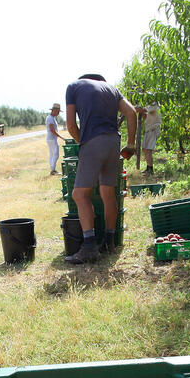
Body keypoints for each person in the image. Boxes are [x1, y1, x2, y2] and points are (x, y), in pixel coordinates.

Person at [63, 74, 137, 264]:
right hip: (114, 141)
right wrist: (130, 144)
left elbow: (70, 125)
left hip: (94, 142)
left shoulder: (74, 86)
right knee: (108, 193)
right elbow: (131, 113)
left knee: (79, 195)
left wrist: (84, 143)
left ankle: (89, 247)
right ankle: (109, 242)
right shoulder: (112, 89)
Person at [136, 101, 161, 175]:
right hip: (149, 129)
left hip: (153, 129)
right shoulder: (149, 105)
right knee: (145, 149)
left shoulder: (155, 105)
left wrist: (129, 107)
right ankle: (148, 168)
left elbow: (142, 110)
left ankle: (150, 170)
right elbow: (145, 116)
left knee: (148, 150)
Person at [45, 103, 65, 175]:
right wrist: (61, 137)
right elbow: (52, 130)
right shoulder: (50, 118)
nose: (59, 113)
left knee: (52, 154)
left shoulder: (51, 118)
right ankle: (53, 170)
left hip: (51, 139)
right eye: (58, 111)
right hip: (52, 139)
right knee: (55, 154)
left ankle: (52, 169)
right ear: (54, 110)